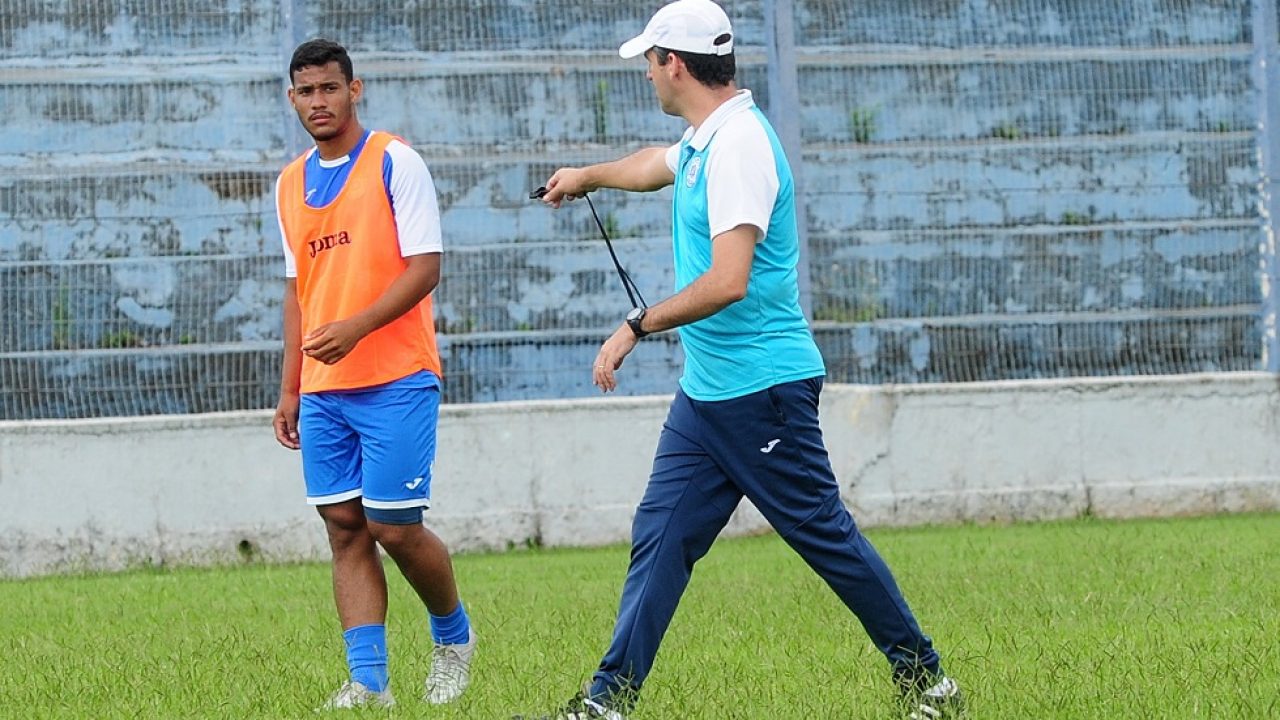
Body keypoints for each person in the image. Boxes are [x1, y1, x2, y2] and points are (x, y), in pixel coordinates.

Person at [526, 2, 961, 718]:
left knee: (824, 537)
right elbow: (649, 166)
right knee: (660, 540)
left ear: (675, 64)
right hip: (708, 396)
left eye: (650, 61)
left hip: (763, 390)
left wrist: (638, 324)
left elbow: (729, 280)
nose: (647, 74)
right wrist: (587, 176)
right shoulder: (706, 139)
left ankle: (930, 682)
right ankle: (606, 702)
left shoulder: (740, 148)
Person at [271, 38, 475, 710]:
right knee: (344, 527)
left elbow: (425, 267)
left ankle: (453, 640)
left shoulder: (395, 161)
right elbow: (298, 289)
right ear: (293, 98)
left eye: (330, 88)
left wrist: (356, 327)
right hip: (324, 390)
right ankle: (369, 683)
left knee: (394, 525)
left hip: (396, 376)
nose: (319, 102)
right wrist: (290, 387)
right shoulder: (288, 183)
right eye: (306, 92)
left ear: (354, 90)